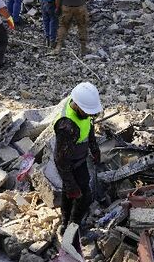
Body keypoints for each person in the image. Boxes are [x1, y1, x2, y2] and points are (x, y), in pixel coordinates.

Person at [54, 82, 103, 233]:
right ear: (77, 105)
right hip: (68, 165)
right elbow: (60, 159)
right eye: (88, 111)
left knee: (71, 193)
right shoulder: (67, 126)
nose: (91, 114)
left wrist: (94, 149)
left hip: (79, 159)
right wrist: (70, 184)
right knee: (82, 195)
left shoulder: (82, 110)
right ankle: (72, 225)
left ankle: (67, 222)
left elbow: (89, 128)